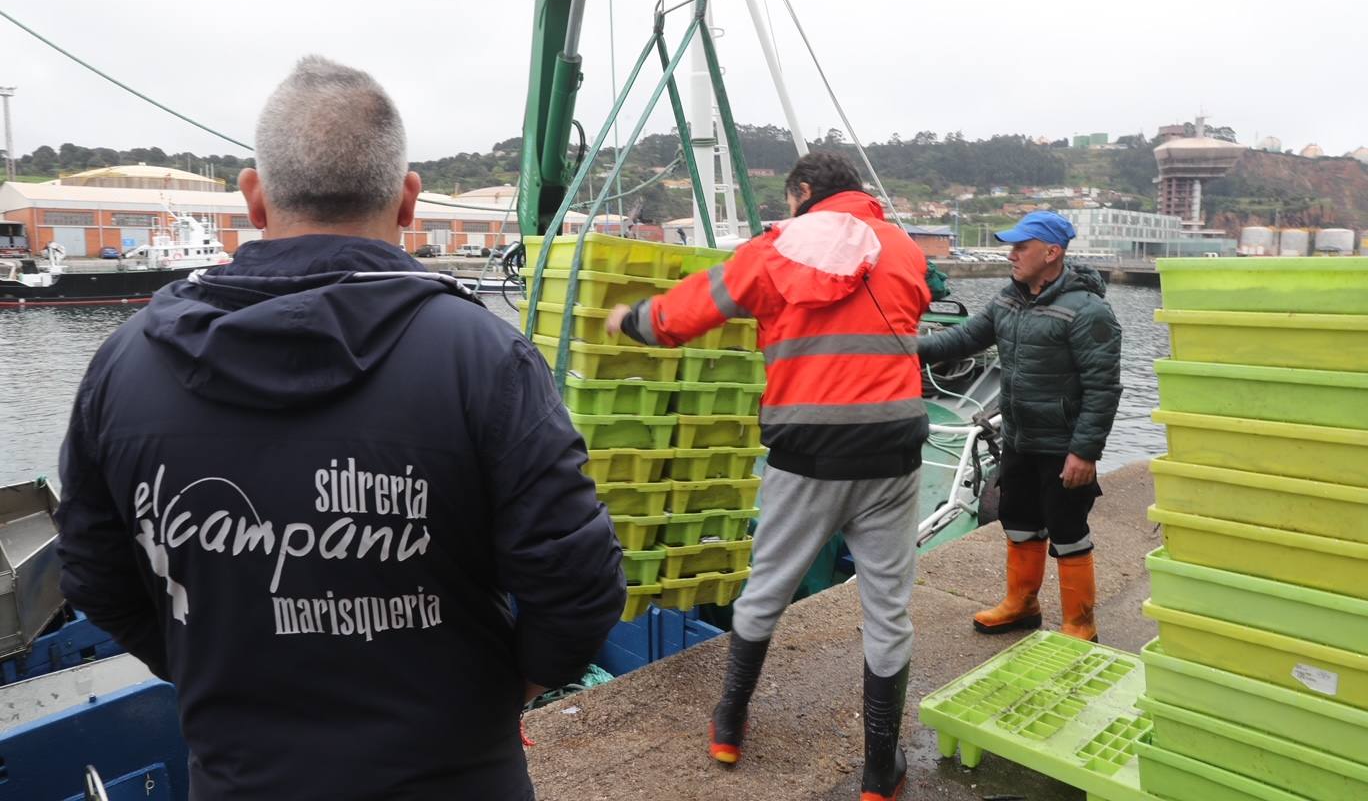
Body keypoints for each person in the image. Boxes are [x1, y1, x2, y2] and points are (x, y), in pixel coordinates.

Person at [55, 56, 626, 800]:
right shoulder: (484, 357)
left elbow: (94, 572)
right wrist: (504, 686)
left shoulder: (122, 367)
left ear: (254, 199)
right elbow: (579, 588)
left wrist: (202, 667)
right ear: (409, 199)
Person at [606, 151, 931, 801]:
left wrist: (630, 321)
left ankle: (728, 724)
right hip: (893, 450)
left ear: (803, 192)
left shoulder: (774, 249)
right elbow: (911, 311)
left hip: (807, 453)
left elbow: (688, 312)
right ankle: (877, 773)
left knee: (765, 593)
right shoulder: (902, 249)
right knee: (888, 612)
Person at [917, 211, 1121, 642]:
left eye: (1020, 247)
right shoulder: (1008, 300)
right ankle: (1023, 605)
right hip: (1019, 440)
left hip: (1063, 445)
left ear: (1052, 252)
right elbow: (962, 339)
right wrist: (903, 349)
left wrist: (1084, 452)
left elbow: (1103, 388)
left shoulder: (1088, 311)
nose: (1010, 255)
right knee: (1018, 520)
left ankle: (1080, 623)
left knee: (1068, 531)